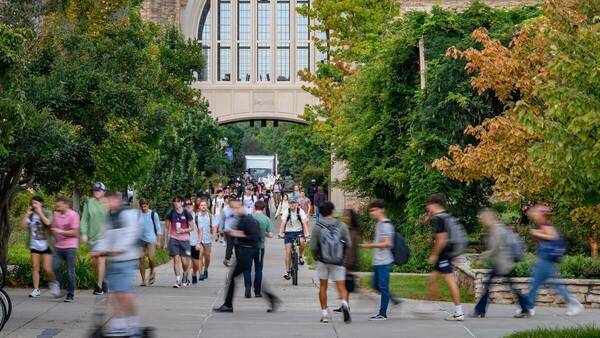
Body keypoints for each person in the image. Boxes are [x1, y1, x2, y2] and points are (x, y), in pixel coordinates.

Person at [514, 205, 584, 318]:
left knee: (537, 283)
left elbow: (553, 236)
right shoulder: (543, 224)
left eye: (535, 213)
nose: (532, 215)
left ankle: (529, 307)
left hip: (545, 259)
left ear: (540, 214)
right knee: (543, 283)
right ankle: (529, 307)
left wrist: (537, 233)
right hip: (544, 258)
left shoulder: (545, 224)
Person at [213, 199, 281, 313]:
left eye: (237, 207)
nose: (234, 210)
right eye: (233, 208)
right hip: (243, 252)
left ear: (242, 207)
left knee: (233, 277)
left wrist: (238, 234)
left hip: (247, 252)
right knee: (240, 276)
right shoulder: (241, 219)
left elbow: (255, 236)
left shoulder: (248, 220)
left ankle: (228, 305)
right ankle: (271, 299)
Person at [92, 192, 143, 337]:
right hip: (114, 260)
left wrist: (116, 250)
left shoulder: (128, 213)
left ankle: (133, 327)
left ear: (117, 200)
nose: (107, 204)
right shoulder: (109, 217)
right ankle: (118, 326)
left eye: (109, 201)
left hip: (127, 259)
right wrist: (98, 250)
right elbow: (104, 237)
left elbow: (131, 234)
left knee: (124, 294)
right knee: (115, 294)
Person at [470, 209, 528, 318]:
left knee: (492, 286)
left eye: (483, 220)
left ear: (489, 219)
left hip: (503, 264)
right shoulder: (497, 229)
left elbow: (494, 249)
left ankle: (480, 310)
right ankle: (480, 310)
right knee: (505, 286)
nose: (482, 222)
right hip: (502, 263)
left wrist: (482, 258)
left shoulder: (497, 230)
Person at [424, 193, 464, 321]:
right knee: (433, 279)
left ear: (434, 205)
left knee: (450, 281)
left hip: (444, 254)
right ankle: (430, 306)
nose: (427, 209)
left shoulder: (440, 219)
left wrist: (434, 255)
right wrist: (429, 216)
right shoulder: (446, 216)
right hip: (447, 252)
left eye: (428, 206)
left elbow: (441, 240)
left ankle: (459, 312)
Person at [358, 200, 401, 321]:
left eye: (373, 210)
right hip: (378, 261)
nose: (371, 213)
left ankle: (382, 314)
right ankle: (394, 300)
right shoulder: (378, 224)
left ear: (381, 210)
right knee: (375, 285)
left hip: (384, 261)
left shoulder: (386, 225)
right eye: (371, 210)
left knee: (383, 287)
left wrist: (368, 246)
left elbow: (387, 243)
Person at [311, 201, 352, 324]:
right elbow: (349, 243)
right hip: (338, 261)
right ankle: (344, 303)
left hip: (323, 261)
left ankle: (324, 315)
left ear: (321, 213)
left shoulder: (318, 226)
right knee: (341, 287)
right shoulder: (342, 225)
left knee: (323, 287)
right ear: (332, 211)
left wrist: (316, 257)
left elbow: (313, 247)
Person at [20, 196, 55, 298]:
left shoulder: (47, 212)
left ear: (41, 204)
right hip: (34, 244)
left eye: (35, 203)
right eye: (32, 203)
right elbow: (22, 226)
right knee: (35, 267)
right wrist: (27, 213)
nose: (33, 205)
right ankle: (36, 289)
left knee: (46, 268)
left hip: (46, 245)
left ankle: (54, 283)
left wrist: (40, 213)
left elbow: (48, 223)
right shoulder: (30, 215)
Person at [80, 182, 109, 295]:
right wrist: (83, 233)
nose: (97, 192)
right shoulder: (89, 203)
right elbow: (84, 219)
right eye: (95, 190)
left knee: (101, 260)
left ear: (104, 192)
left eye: (99, 190)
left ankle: (99, 286)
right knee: (94, 262)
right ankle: (103, 280)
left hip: (104, 237)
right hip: (92, 236)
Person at [50, 196, 80, 302]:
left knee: (70, 272)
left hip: (70, 247)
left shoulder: (73, 215)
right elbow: (53, 229)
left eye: (59, 205)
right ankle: (60, 287)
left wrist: (60, 232)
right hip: (58, 247)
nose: (57, 207)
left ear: (66, 205)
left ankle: (70, 294)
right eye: (57, 205)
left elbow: (74, 232)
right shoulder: (56, 215)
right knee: (54, 267)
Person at [243, 200, 273, 298]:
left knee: (247, 268)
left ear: (254, 208)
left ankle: (247, 286)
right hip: (260, 247)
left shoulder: (248, 218)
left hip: (248, 247)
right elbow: (271, 235)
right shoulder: (267, 219)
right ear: (264, 209)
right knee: (258, 269)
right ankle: (257, 291)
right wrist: (263, 233)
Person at [333, 209, 361, 313]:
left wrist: (347, 264)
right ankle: (344, 305)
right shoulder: (346, 229)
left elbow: (351, 249)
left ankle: (346, 304)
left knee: (344, 284)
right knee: (344, 284)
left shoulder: (352, 231)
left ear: (351, 218)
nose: (344, 217)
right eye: (343, 216)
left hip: (347, 261)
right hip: (343, 260)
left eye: (346, 216)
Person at [165, 196, 194, 288]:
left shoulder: (186, 213)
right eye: (174, 201)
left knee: (185, 262)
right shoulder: (171, 213)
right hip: (174, 239)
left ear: (182, 203)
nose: (176, 203)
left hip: (185, 240)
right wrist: (165, 242)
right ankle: (177, 280)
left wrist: (183, 230)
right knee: (176, 259)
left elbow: (192, 227)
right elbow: (166, 228)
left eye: (178, 201)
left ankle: (185, 275)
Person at [278, 199, 310, 280]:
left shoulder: (300, 211)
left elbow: (304, 222)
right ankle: (287, 272)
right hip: (288, 232)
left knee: (302, 241)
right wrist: (281, 233)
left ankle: (300, 256)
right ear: (289, 204)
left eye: (294, 203)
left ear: (297, 204)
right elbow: (283, 223)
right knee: (288, 252)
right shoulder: (286, 212)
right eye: (291, 203)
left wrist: (307, 233)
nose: (292, 205)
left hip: (298, 231)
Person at [137, 198, 161, 286]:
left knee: (151, 258)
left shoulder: (153, 214)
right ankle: (143, 280)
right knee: (141, 259)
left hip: (151, 239)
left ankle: (151, 272)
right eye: (142, 207)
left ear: (148, 205)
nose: (144, 208)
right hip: (140, 239)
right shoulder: (138, 215)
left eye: (145, 206)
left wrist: (158, 241)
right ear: (139, 207)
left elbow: (158, 228)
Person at [194, 199, 217, 282]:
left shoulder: (210, 216)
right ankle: (200, 274)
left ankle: (206, 269)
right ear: (199, 207)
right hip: (198, 240)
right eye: (201, 205)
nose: (203, 206)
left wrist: (214, 234)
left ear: (207, 206)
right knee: (200, 256)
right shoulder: (196, 216)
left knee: (207, 257)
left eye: (205, 205)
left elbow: (214, 226)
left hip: (208, 239)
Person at [185, 199, 202, 285]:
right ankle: (186, 277)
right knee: (186, 262)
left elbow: (200, 231)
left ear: (192, 207)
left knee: (195, 263)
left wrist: (199, 242)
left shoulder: (197, 217)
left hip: (195, 243)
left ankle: (194, 274)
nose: (188, 208)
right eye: (186, 206)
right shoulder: (182, 218)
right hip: (185, 243)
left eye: (190, 206)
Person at [220, 196, 238, 266]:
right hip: (228, 231)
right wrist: (221, 229)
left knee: (237, 246)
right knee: (229, 246)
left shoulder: (238, 209)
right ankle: (227, 259)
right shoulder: (225, 209)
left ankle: (238, 260)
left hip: (237, 231)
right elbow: (222, 219)